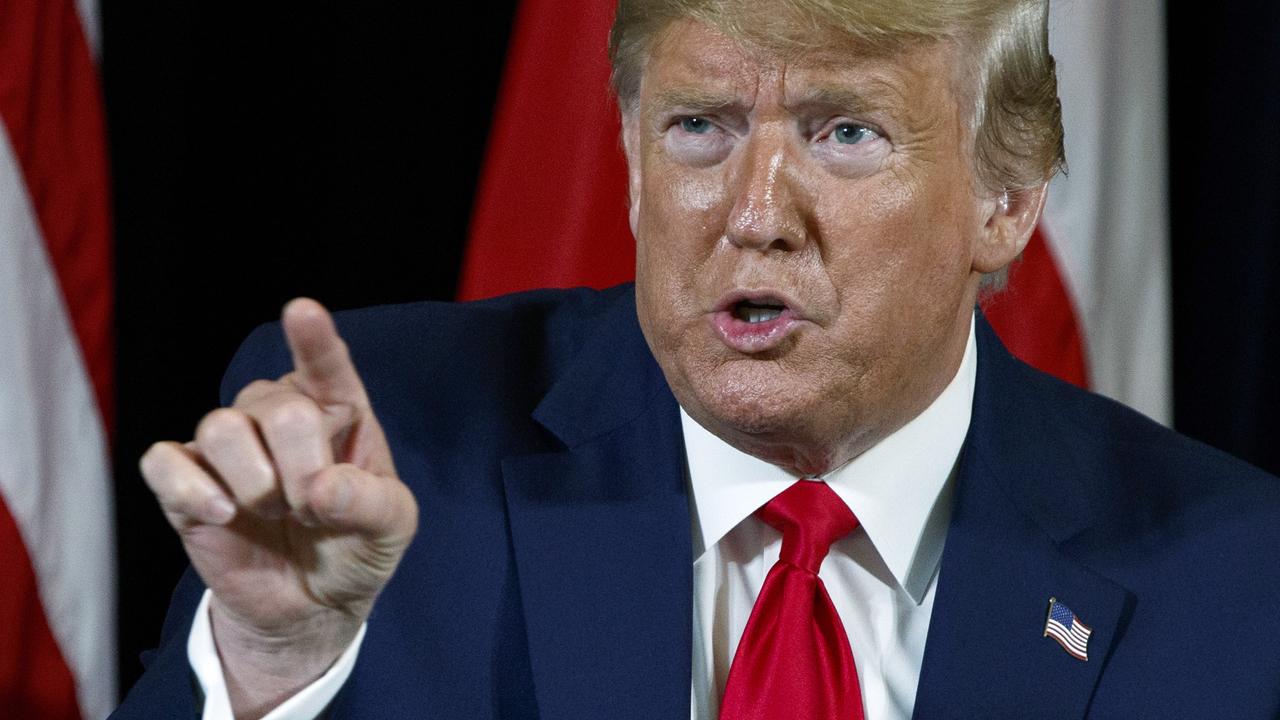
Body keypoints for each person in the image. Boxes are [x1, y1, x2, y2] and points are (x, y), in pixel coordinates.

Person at [114, 1, 1280, 718]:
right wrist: (269, 663)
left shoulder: (1231, 578)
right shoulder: (387, 450)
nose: (753, 212)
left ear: (1007, 200)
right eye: (699, 127)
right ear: (627, 158)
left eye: (846, 132)